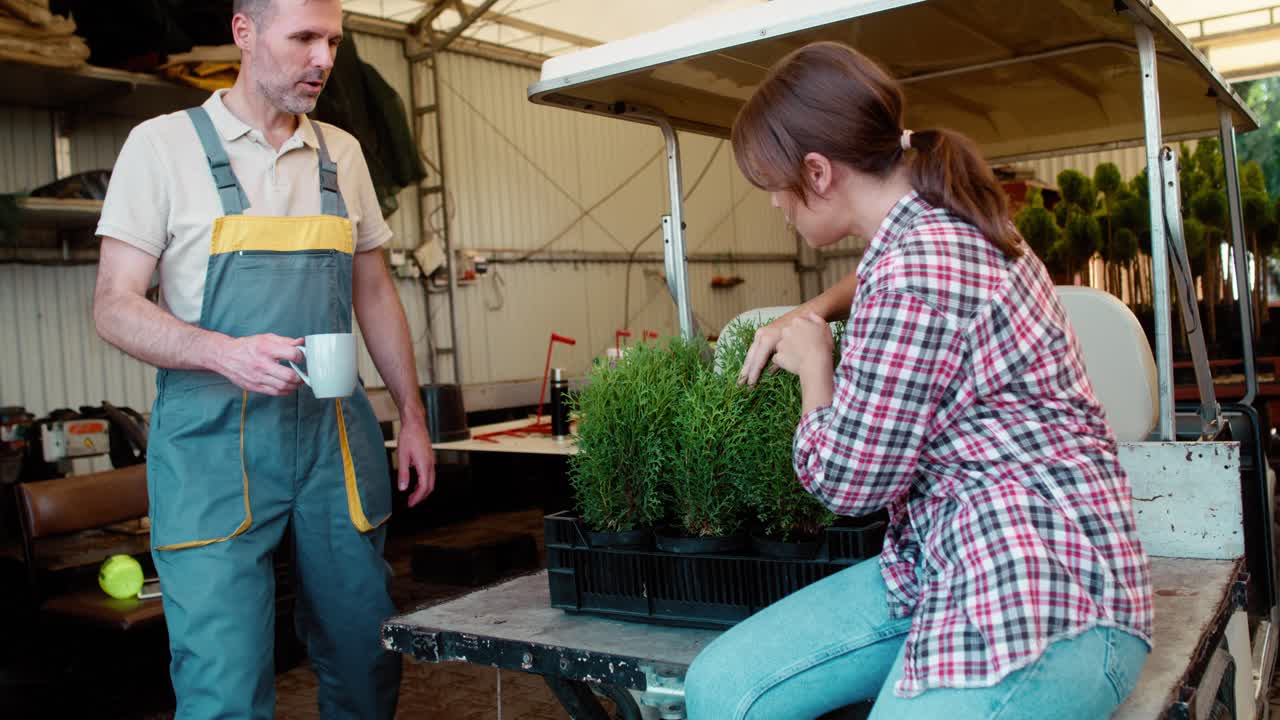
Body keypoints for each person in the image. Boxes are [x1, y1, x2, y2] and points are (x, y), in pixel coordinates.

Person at [684, 42, 1153, 719]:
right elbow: (880, 271)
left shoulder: (916, 269)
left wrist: (818, 365)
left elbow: (849, 484)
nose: (774, 207)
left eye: (773, 186)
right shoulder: (932, 219)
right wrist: (814, 309)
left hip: (1049, 591)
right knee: (721, 690)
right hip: (938, 560)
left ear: (817, 172)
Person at [91, 1, 434, 717]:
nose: (325, 59)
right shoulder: (160, 147)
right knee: (224, 683)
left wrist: (410, 413)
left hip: (335, 439)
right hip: (212, 442)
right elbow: (114, 305)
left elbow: (373, 291)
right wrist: (223, 353)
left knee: (367, 658)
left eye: (333, 40)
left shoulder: (343, 152)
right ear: (244, 33)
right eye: (305, 38)